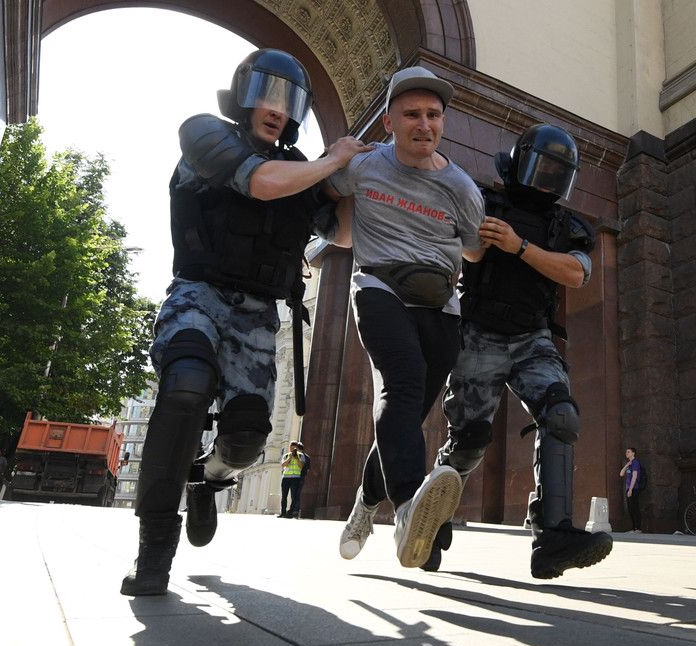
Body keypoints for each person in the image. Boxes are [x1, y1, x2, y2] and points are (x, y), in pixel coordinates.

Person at [120, 48, 371, 597]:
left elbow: (343, 234)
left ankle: (206, 481)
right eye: (268, 93)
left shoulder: (301, 171)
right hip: (198, 295)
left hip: (258, 314)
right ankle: (154, 551)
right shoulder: (204, 134)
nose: (277, 108)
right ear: (242, 94)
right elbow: (259, 182)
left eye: (290, 100)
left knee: (247, 439)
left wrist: (355, 180)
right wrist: (331, 162)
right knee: (185, 388)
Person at [420, 123, 613, 577]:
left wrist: (519, 246)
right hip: (479, 335)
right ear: (523, 162)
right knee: (468, 441)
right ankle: (428, 523)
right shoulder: (485, 202)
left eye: (557, 174)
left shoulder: (566, 227)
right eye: (543, 169)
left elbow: (577, 273)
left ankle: (553, 539)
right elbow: (457, 246)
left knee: (560, 415)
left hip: (532, 338)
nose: (547, 181)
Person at [333, 66, 485, 569]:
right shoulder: (363, 166)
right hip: (378, 287)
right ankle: (406, 510)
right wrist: (333, 159)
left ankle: (364, 503)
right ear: (389, 123)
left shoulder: (461, 187)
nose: (424, 125)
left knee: (408, 414)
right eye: (412, 114)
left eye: (434, 115)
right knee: (402, 382)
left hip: (439, 304)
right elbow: (323, 196)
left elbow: (474, 250)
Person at [277, 440, 310, 518]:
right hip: (286, 478)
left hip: (295, 478)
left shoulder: (301, 455)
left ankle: (291, 512)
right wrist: (290, 458)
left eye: (294, 448)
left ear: (297, 448)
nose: (292, 450)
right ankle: (283, 512)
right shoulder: (286, 455)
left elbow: (301, 466)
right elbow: (283, 465)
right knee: (284, 496)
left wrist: (296, 457)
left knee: (294, 496)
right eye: (291, 448)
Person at [619, 447, 643, 533]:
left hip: (634, 488)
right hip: (628, 488)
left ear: (633, 453)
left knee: (635, 508)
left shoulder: (635, 462)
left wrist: (631, 489)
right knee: (630, 509)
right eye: (626, 452)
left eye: (628, 452)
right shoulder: (629, 464)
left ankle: (638, 528)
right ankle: (634, 528)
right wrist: (626, 465)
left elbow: (634, 476)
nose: (627, 453)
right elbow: (621, 474)